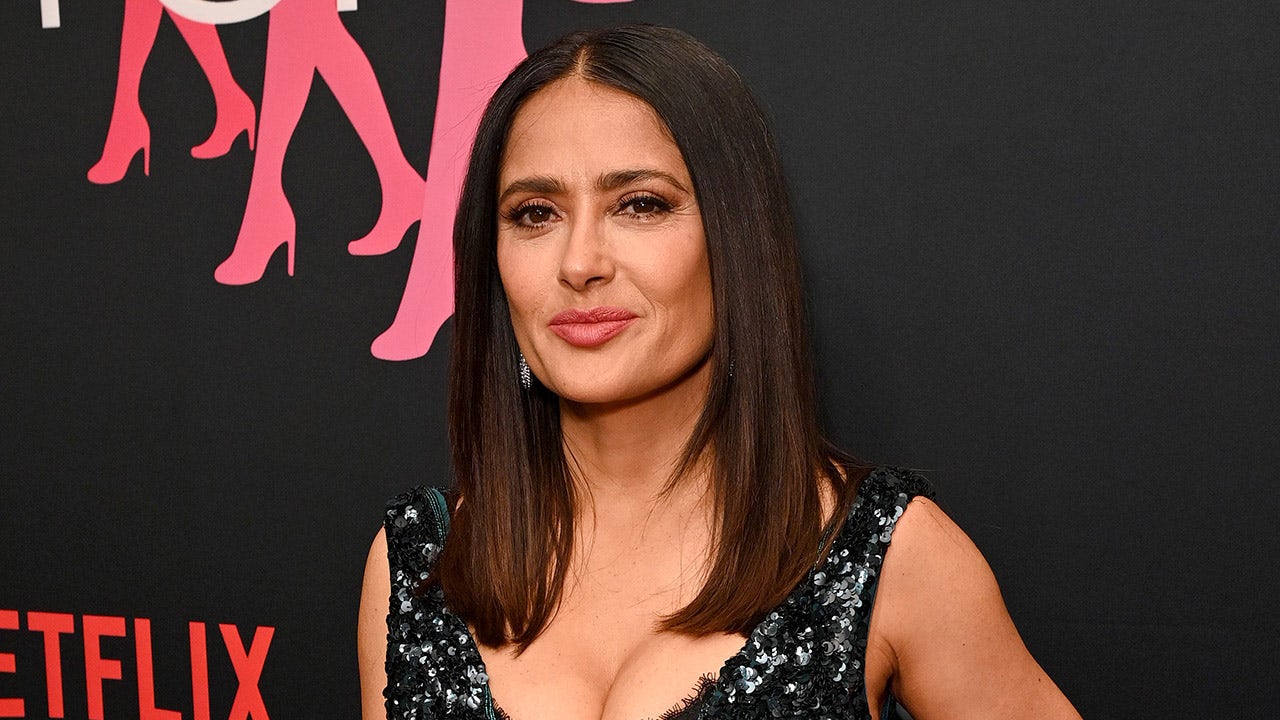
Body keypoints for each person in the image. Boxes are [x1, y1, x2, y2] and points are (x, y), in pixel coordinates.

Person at [357, 24, 1082, 720]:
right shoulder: (419, 563)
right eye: (535, 213)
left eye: (640, 205)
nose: (579, 263)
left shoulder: (888, 556)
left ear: (736, 238)